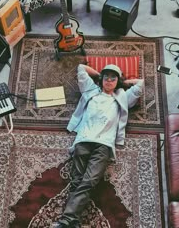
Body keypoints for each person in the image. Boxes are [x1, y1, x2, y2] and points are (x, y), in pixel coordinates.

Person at [54, 63, 144, 228]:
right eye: (106, 77)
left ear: (118, 81)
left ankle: (66, 221)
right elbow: (81, 68)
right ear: (101, 79)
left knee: (89, 181)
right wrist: (98, 74)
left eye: (113, 78)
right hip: (83, 140)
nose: (109, 80)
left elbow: (140, 85)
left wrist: (124, 83)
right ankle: (71, 222)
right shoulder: (90, 90)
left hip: (103, 145)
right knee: (77, 181)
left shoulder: (122, 97)